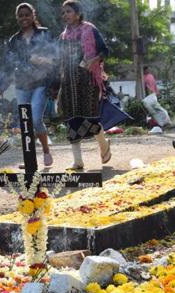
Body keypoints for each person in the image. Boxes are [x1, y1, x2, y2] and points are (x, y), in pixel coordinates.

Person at [0, 2, 56, 167]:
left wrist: (44, 60)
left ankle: (46, 150)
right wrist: (0, 87)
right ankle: (30, 159)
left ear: (33, 15)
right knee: (25, 122)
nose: (24, 18)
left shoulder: (44, 34)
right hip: (22, 85)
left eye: (27, 14)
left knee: (35, 119)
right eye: (20, 15)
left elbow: (55, 56)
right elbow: (8, 65)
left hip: (40, 83)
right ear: (17, 18)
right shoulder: (14, 40)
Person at [58, 0, 112, 170]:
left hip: (88, 81)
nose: (65, 15)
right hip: (69, 83)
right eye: (63, 12)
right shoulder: (63, 36)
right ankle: (78, 161)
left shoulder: (90, 29)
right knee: (72, 120)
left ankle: (104, 146)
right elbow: (61, 61)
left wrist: (94, 60)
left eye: (68, 11)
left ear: (78, 13)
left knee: (90, 118)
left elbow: (105, 51)